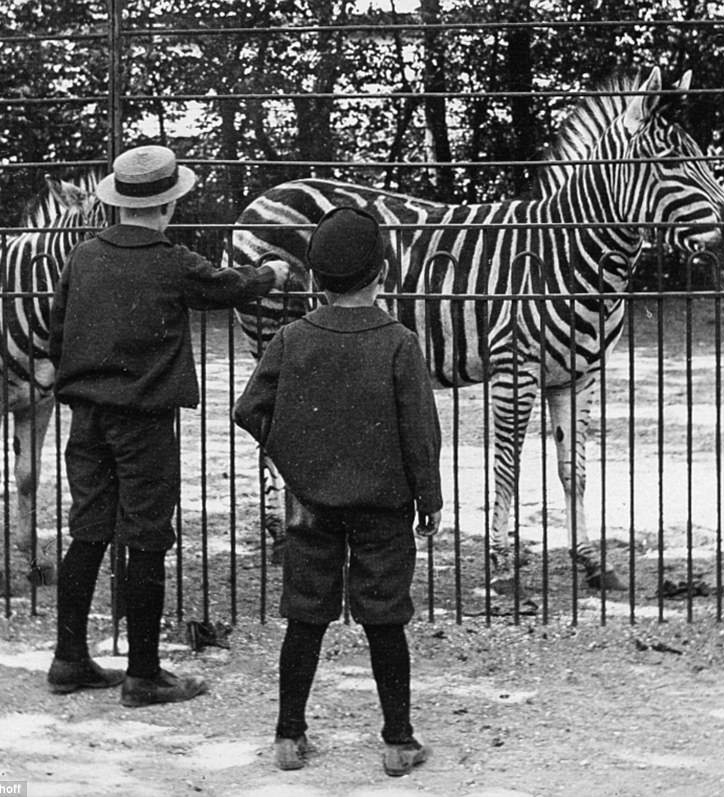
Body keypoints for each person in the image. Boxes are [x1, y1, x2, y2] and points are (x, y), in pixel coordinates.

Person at [45, 144, 283, 707]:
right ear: (169, 205)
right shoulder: (173, 261)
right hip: (145, 421)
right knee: (147, 536)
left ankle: (69, 657)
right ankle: (144, 673)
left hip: (87, 419)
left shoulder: (82, 257)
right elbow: (234, 287)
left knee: (88, 531)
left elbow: (57, 336)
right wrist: (272, 271)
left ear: (118, 202)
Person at [233, 206, 443, 777]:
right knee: (385, 617)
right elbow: (420, 432)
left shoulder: (291, 337)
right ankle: (398, 741)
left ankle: (288, 736)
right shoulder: (399, 341)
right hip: (385, 507)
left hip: (310, 504)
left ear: (316, 279)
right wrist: (429, 500)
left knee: (305, 616)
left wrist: (297, 458)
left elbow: (249, 409)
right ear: (381, 272)